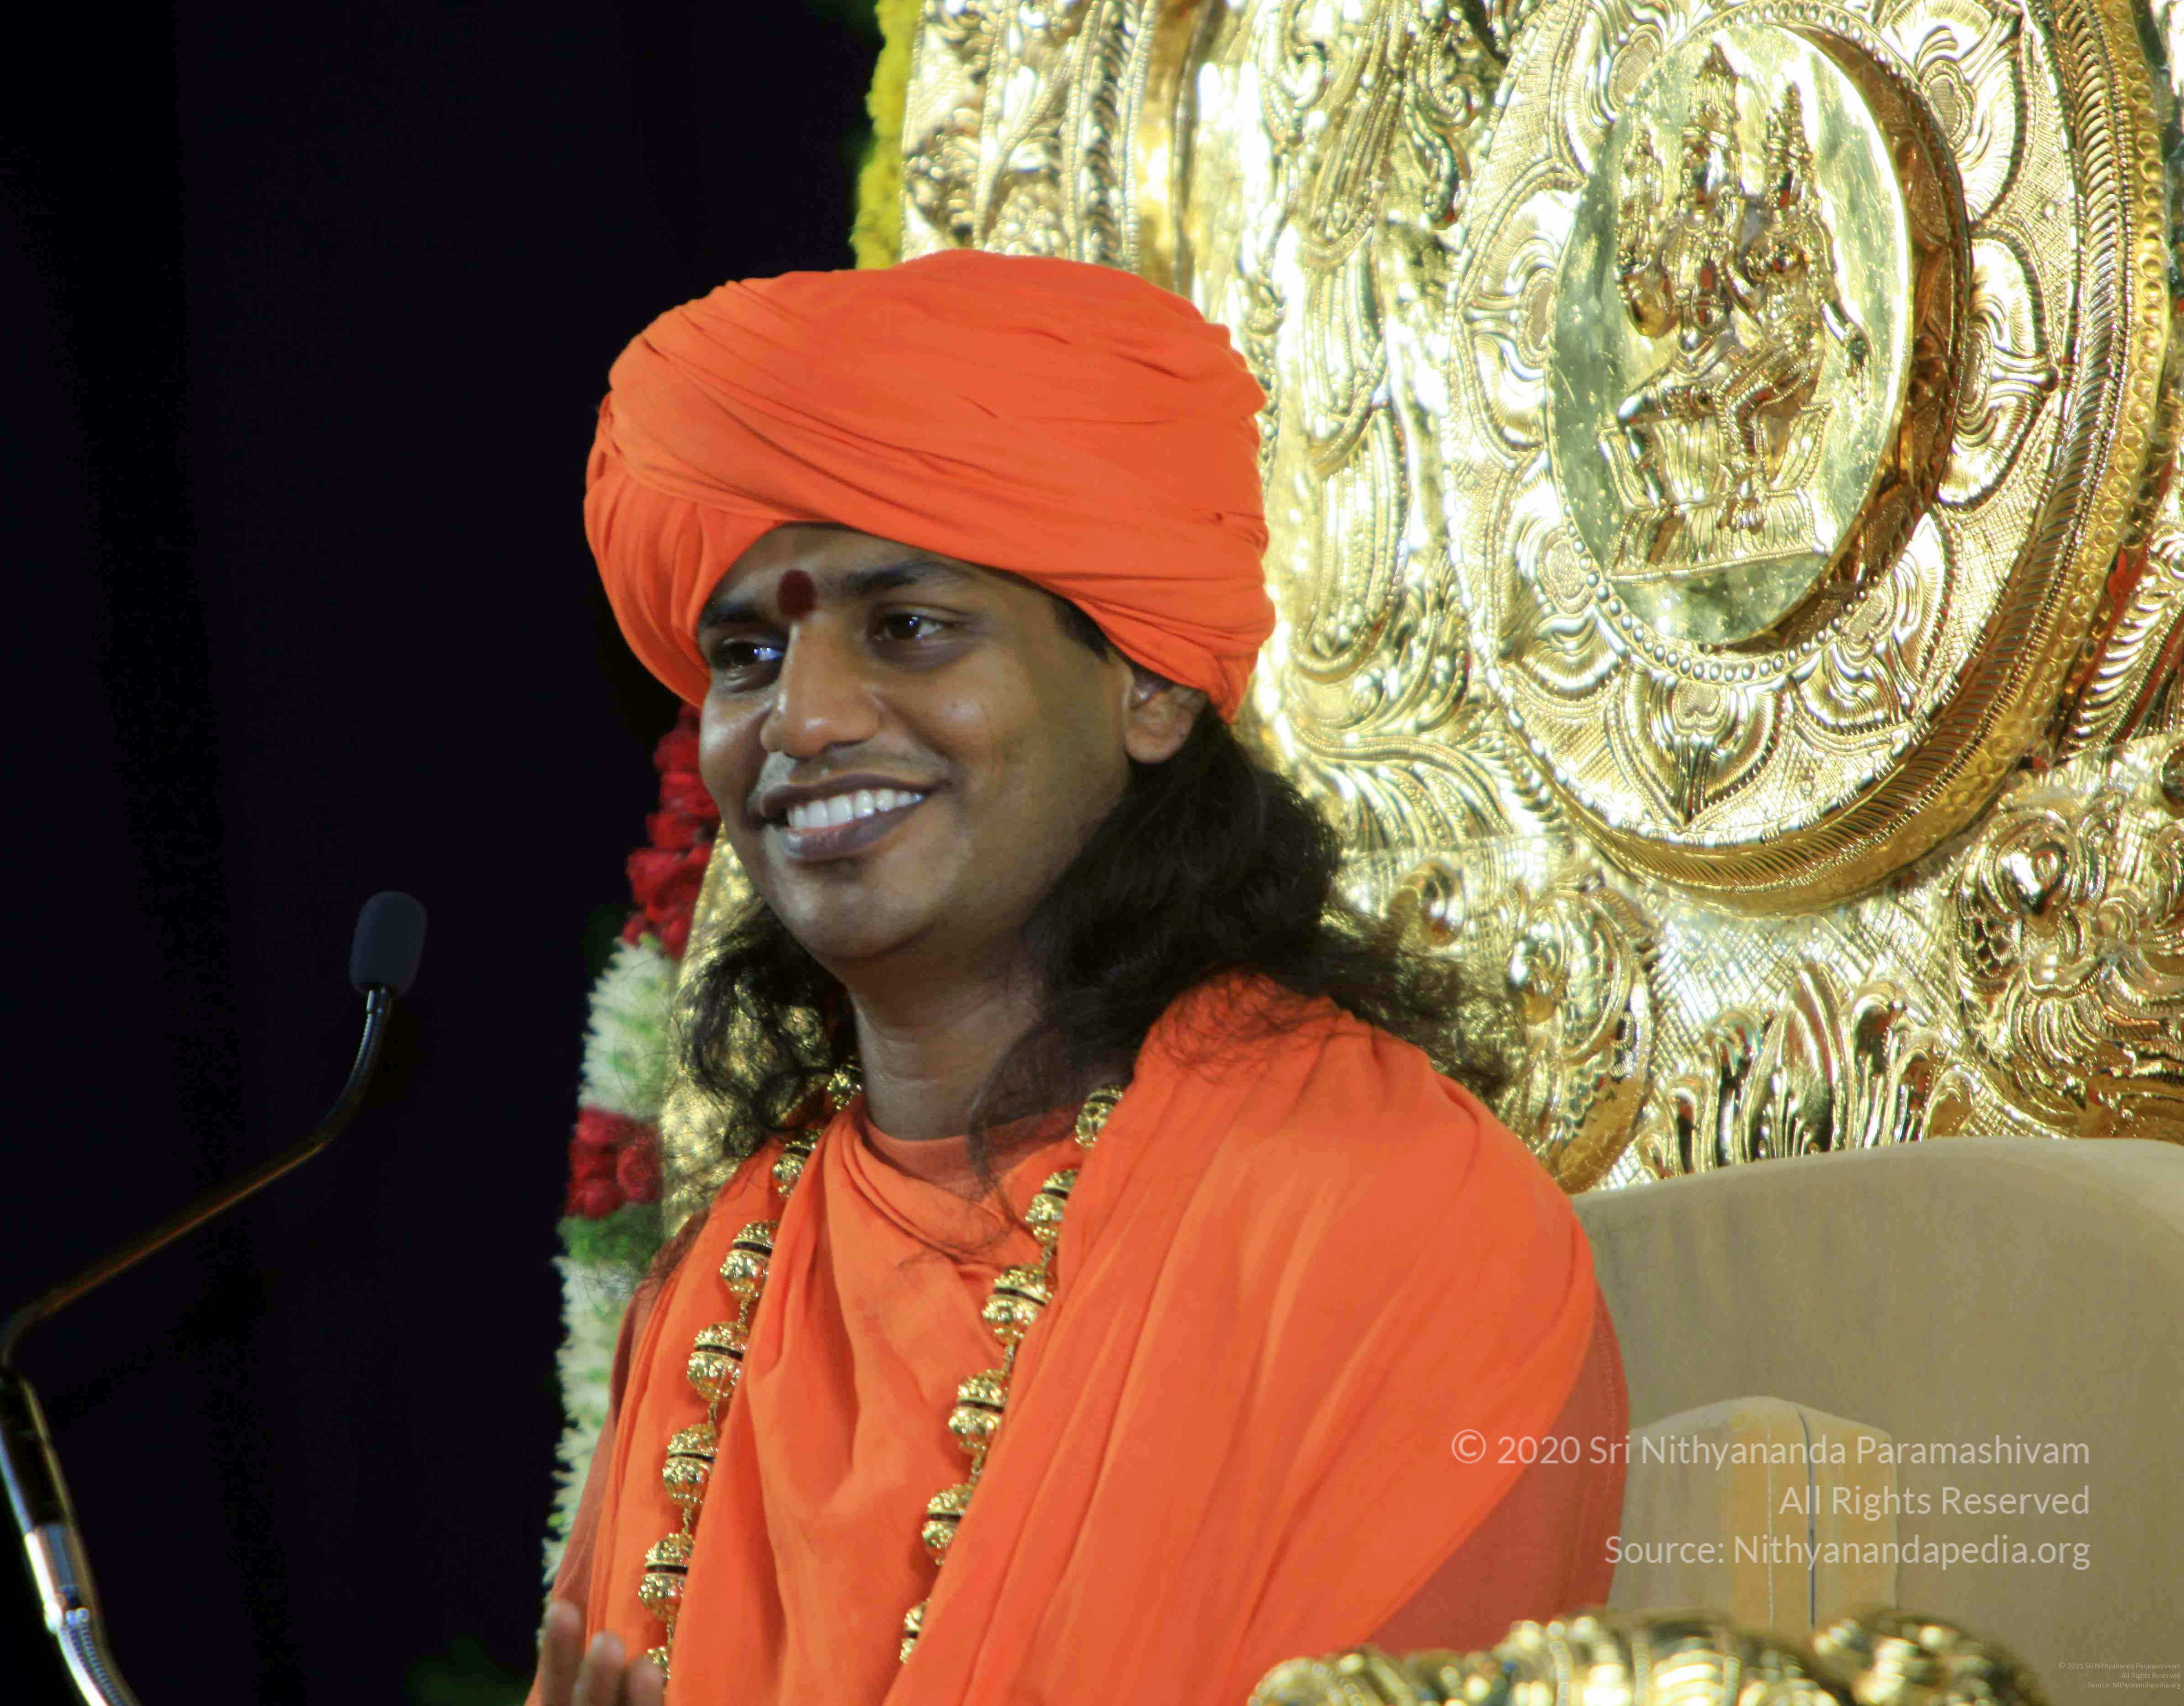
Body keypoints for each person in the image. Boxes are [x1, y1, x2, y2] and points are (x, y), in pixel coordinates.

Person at [531, 250, 1626, 1706]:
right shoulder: (730, 1280)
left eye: (908, 627)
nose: (804, 718)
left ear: (1151, 684)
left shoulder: (1389, 1221)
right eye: (746, 654)